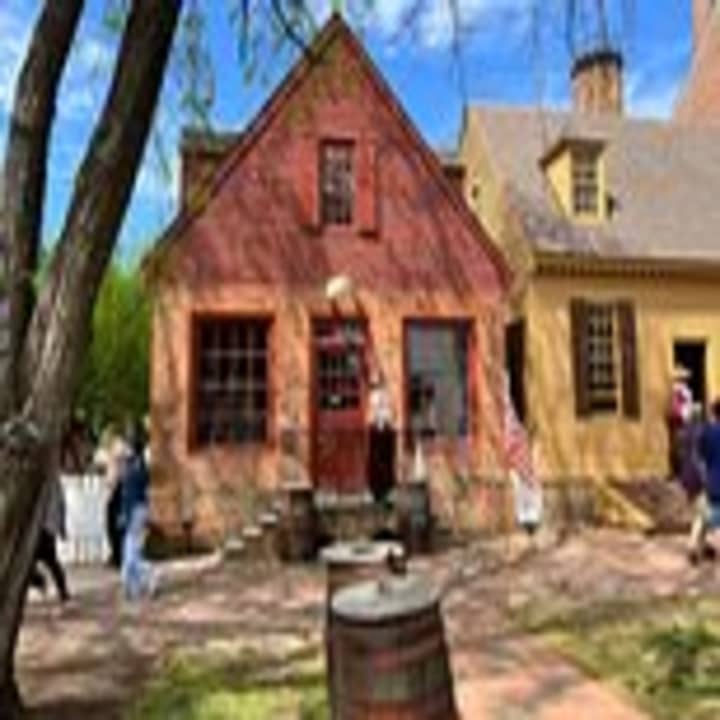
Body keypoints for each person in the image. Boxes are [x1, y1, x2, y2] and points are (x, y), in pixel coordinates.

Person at [120, 422, 156, 600]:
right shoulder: (133, 465)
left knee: (132, 554)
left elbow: (135, 492)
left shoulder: (137, 466)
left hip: (137, 511)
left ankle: (149, 575)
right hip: (134, 511)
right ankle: (133, 589)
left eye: (127, 444)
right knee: (129, 553)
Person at [688, 398, 720, 565]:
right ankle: (709, 543)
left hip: (708, 479)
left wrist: (702, 474)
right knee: (714, 515)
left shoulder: (706, 432)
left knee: (702, 514)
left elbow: (697, 457)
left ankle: (695, 545)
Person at [29, 475, 70, 603]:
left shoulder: (48, 481)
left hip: (44, 526)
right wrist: (62, 527)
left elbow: (61, 505)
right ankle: (59, 589)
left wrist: (62, 527)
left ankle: (42, 583)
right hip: (46, 526)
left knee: (45, 560)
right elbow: (62, 505)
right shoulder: (52, 481)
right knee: (49, 561)